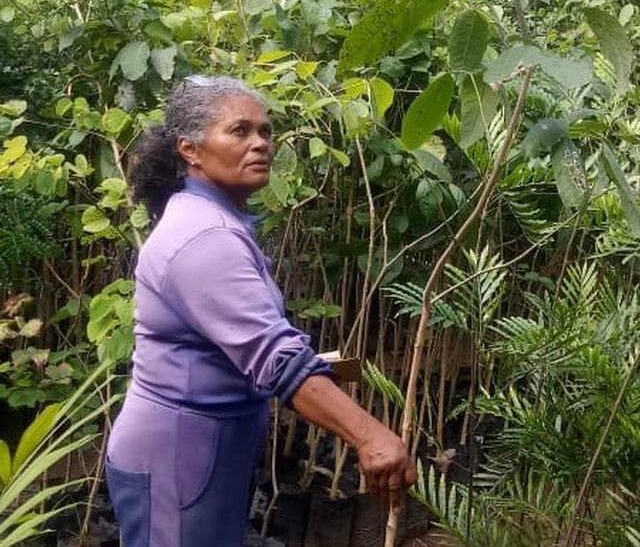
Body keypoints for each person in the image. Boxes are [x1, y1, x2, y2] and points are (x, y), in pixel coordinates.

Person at [106, 75, 416, 546]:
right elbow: (276, 358)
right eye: (240, 131)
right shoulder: (204, 239)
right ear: (191, 150)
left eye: (265, 132)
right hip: (177, 458)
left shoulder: (214, 221)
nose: (261, 144)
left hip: (202, 453)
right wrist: (370, 435)